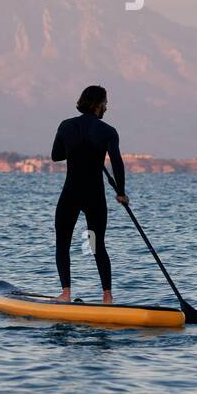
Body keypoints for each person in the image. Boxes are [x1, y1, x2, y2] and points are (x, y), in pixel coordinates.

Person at [51, 85, 129, 303]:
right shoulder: (108, 131)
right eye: (105, 102)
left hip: (71, 195)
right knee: (97, 245)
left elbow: (56, 155)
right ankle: (107, 297)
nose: (107, 107)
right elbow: (117, 163)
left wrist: (74, 148)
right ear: (96, 105)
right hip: (94, 197)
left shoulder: (66, 126)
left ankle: (65, 294)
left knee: (63, 243)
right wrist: (121, 193)